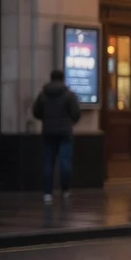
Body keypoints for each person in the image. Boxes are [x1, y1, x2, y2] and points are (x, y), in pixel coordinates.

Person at [31, 69, 81, 203]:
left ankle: (47, 193)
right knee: (65, 162)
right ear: (63, 79)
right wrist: (69, 122)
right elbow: (76, 113)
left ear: (51, 78)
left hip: (48, 132)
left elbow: (35, 112)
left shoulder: (43, 94)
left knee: (48, 163)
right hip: (65, 132)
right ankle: (65, 191)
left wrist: (46, 119)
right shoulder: (69, 95)